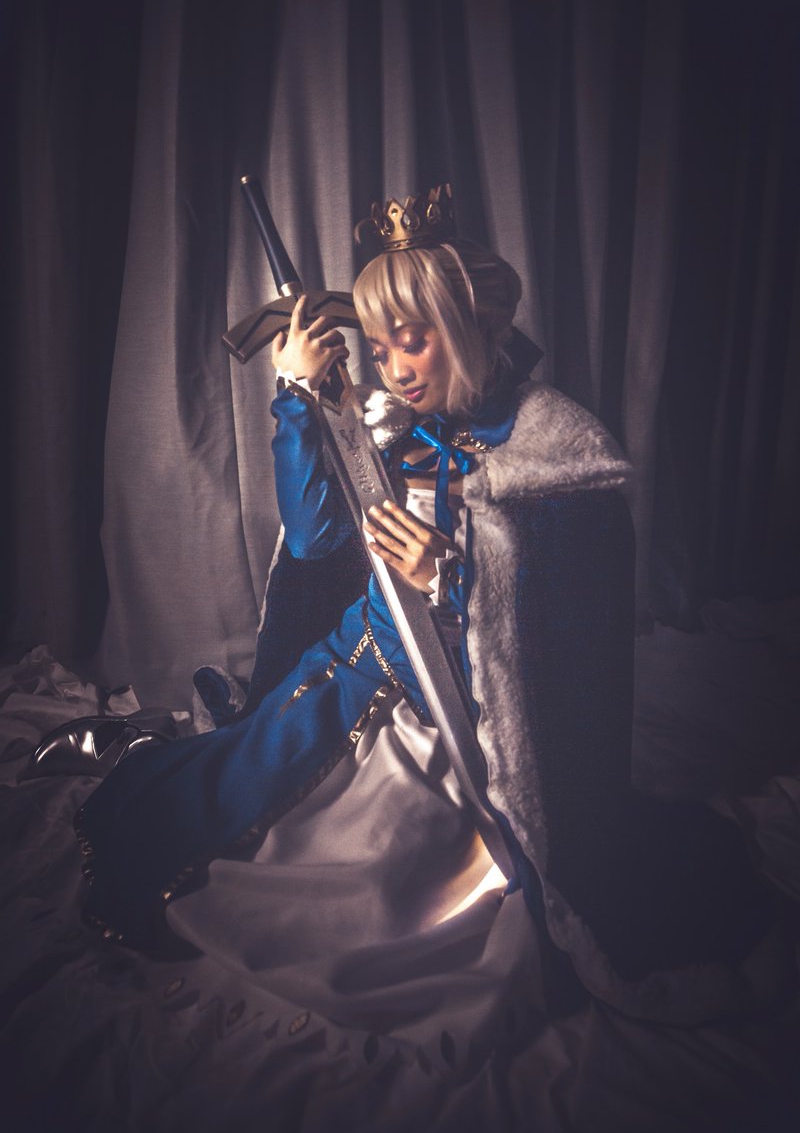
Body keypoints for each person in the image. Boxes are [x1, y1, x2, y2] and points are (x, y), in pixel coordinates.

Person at [74, 187, 786, 1030]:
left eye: (412, 340)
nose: (395, 369)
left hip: (462, 726)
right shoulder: (388, 425)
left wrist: (450, 578)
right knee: (190, 811)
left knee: (379, 900)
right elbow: (315, 541)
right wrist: (300, 400)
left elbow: (573, 624)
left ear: (470, 323)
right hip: (342, 679)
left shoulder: (556, 447)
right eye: (378, 348)